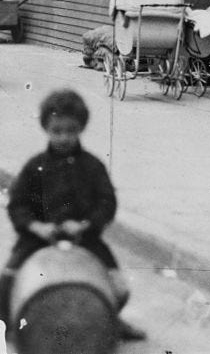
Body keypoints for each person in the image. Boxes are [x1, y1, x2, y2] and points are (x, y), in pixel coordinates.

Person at [0, 90, 146, 340]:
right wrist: (36, 226)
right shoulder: (35, 165)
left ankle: (109, 319)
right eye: (57, 130)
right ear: (46, 127)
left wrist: (85, 224)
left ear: (81, 128)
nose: (64, 137)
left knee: (119, 288)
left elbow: (106, 203)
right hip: (39, 238)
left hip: (84, 238)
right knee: (6, 282)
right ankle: (17, 326)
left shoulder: (92, 166)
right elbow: (17, 204)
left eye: (71, 130)